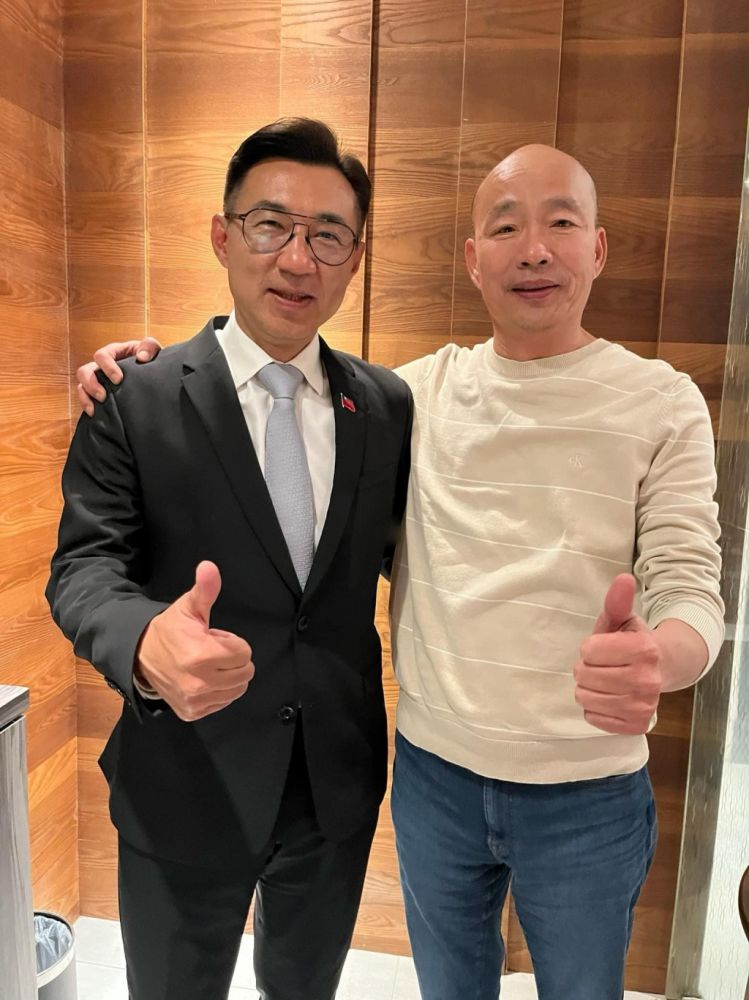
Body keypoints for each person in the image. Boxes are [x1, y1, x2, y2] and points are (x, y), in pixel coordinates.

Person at [78, 143, 724, 1000]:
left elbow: (688, 580)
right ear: (473, 259)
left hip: (553, 793)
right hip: (406, 781)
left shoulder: (641, 400)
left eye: (561, 223)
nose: (534, 250)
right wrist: (136, 379)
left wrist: (662, 658)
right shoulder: (405, 396)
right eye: (506, 228)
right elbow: (100, 554)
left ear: (598, 247)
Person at [46, 118, 412, 1000]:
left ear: (355, 259)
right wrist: (143, 641)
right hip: (183, 777)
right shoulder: (134, 397)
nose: (298, 259)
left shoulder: (387, 407)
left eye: (328, 235)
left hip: (332, 787)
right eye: (270, 225)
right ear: (222, 235)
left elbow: (411, 554)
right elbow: (83, 568)